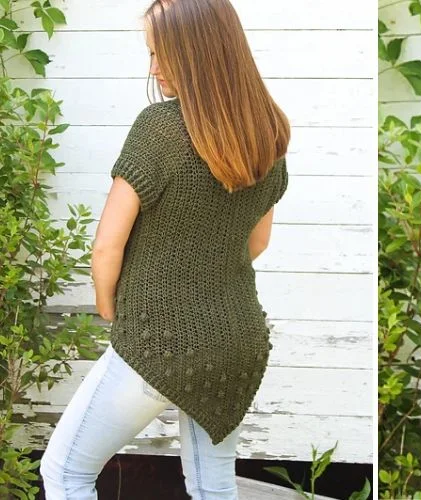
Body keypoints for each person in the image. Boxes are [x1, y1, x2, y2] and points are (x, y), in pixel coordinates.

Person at [39, 0, 290, 497]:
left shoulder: (160, 128)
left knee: (65, 473)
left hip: (158, 339)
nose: (153, 68)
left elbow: (107, 245)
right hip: (237, 341)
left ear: (199, 53)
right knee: (213, 484)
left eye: (163, 54)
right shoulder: (267, 131)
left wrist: (114, 310)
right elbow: (256, 242)